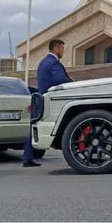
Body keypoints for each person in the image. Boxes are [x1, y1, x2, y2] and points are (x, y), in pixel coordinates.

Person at [23, 39, 73, 168]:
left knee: (34, 127)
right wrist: (72, 81)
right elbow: (59, 79)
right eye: (62, 48)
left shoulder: (43, 62)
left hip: (41, 98)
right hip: (49, 100)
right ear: (56, 49)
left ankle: (27, 157)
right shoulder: (53, 63)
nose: (63, 51)